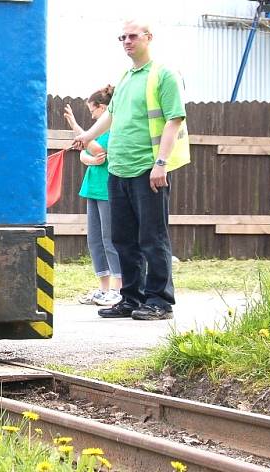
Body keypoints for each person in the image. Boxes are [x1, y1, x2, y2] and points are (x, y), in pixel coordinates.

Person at [73, 20, 190, 321]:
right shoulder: (125, 77)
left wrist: (160, 164)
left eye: (133, 36)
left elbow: (174, 120)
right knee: (123, 239)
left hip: (147, 169)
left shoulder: (163, 74)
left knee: (152, 237)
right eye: (122, 37)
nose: (127, 41)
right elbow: (111, 116)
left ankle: (159, 302)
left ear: (149, 38)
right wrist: (87, 135)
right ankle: (131, 298)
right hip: (119, 170)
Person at [64, 86, 122, 306]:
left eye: (93, 111)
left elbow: (96, 150)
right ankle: (103, 288)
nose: (92, 116)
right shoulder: (96, 132)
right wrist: (86, 157)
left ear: (104, 108)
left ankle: (118, 288)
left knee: (110, 239)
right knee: (95, 241)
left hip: (107, 191)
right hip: (92, 189)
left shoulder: (111, 129)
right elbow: (84, 154)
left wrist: (77, 128)